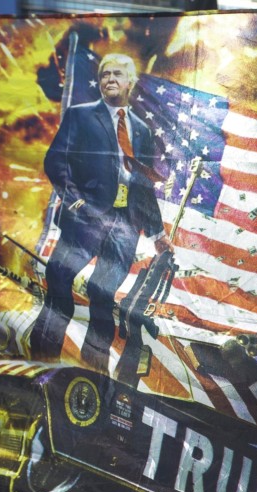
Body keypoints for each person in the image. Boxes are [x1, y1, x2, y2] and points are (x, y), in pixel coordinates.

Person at [30, 53, 170, 369]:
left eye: (117, 74)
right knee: (60, 278)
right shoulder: (80, 116)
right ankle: (41, 357)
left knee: (103, 296)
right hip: (84, 219)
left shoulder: (142, 131)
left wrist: (158, 232)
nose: (109, 79)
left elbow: (145, 187)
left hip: (125, 227)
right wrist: (74, 199)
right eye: (105, 74)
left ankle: (94, 370)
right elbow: (55, 161)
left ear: (130, 82)